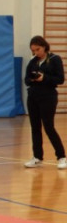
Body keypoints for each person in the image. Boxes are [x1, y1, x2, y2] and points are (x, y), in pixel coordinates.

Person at [24, 35, 67, 169]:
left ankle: (61, 157)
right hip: (33, 97)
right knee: (35, 127)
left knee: (48, 127)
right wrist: (32, 79)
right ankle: (37, 157)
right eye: (33, 50)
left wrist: (44, 78)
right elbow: (26, 80)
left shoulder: (55, 59)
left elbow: (60, 79)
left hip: (48, 97)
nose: (36, 53)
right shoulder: (33, 62)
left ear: (44, 47)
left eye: (38, 49)